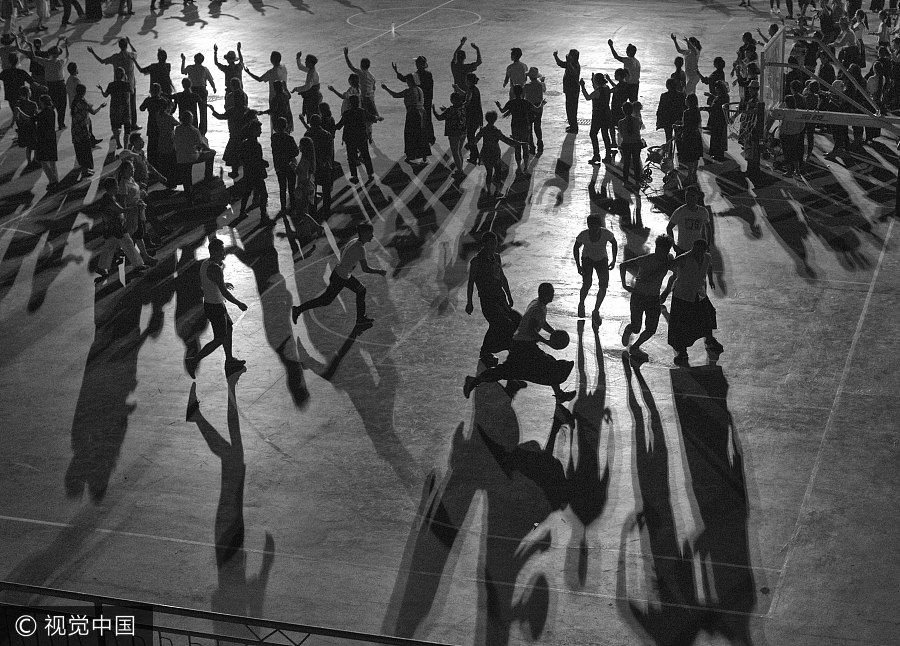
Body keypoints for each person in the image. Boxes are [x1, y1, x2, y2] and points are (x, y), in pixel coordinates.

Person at [463, 282, 575, 403]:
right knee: (544, 366)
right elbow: (531, 331)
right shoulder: (537, 309)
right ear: (545, 295)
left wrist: (553, 333)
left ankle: (559, 394)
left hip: (523, 344)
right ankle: (473, 381)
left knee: (544, 365)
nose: (553, 295)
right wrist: (548, 342)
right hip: (523, 347)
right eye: (551, 293)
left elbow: (542, 322)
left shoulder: (538, 303)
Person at [291, 222, 386, 327]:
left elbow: (344, 254)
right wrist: (379, 271)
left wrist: (348, 265)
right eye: (370, 233)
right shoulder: (360, 249)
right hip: (341, 277)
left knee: (361, 291)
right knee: (325, 300)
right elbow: (365, 269)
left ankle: (360, 319)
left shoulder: (354, 241)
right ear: (364, 234)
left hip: (340, 273)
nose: (372, 236)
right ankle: (298, 309)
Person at [187, 238, 248, 378]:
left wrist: (223, 283)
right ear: (214, 252)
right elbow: (224, 292)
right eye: (221, 251)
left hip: (213, 304)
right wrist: (238, 303)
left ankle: (230, 360)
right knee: (219, 339)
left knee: (229, 328)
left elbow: (209, 282)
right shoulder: (215, 267)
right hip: (216, 308)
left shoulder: (205, 264)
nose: (224, 253)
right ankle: (194, 361)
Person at [465, 231, 520, 368]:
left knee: (516, 320)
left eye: (495, 242)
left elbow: (502, 277)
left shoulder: (496, 257)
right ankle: (488, 351)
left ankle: (503, 349)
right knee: (501, 324)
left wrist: (509, 295)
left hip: (500, 299)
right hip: (488, 301)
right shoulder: (476, 262)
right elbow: (471, 282)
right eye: (491, 243)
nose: (494, 246)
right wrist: (470, 302)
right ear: (484, 244)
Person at [666, 239, 723, 364]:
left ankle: (709, 339)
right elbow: (670, 265)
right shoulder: (685, 258)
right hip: (682, 295)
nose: (698, 253)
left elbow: (708, 266)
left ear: (704, 250)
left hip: (698, 293)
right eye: (696, 250)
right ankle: (682, 350)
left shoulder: (706, 257)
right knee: (682, 324)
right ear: (693, 248)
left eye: (702, 251)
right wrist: (668, 256)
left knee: (709, 314)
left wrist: (711, 280)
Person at [620, 235, 675, 361]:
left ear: (667, 251)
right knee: (636, 327)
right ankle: (629, 328)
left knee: (651, 329)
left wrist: (666, 291)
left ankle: (635, 347)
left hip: (653, 298)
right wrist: (624, 285)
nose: (658, 252)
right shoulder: (647, 259)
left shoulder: (669, 259)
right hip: (638, 296)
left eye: (662, 250)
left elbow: (675, 273)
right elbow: (623, 266)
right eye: (657, 249)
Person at [92, 176, 147, 284]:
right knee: (128, 244)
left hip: (111, 228)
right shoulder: (109, 199)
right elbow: (120, 210)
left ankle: (102, 267)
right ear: (111, 187)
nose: (118, 187)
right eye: (116, 186)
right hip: (117, 228)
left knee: (109, 247)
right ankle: (138, 265)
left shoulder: (107, 197)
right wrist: (135, 207)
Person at [573, 214, 617, 319]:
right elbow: (576, 248)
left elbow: (614, 243)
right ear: (588, 226)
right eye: (591, 226)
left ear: (599, 226)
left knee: (603, 286)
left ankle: (596, 309)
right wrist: (578, 265)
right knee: (587, 283)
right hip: (587, 258)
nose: (593, 229)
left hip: (602, 259)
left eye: (595, 227)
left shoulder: (606, 233)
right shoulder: (583, 235)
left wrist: (614, 260)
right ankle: (581, 303)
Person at [87, 38, 138, 129]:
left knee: (118, 106)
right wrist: (130, 43)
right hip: (130, 85)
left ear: (119, 46)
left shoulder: (115, 57)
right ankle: (133, 124)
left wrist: (93, 52)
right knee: (132, 105)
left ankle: (118, 125)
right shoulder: (131, 55)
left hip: (117, 86)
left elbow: (102, 61)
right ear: (126, 46)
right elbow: (135, 51)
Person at [382, 74, 430, 164]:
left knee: (410, 135)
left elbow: (395, 95)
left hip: (412, 114)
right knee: (422, 135)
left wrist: (386, 88)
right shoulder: (419, 89)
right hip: (422, 113)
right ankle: (424, 157)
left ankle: (411, 156)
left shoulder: (408, 91)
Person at [22, 38, 68, 129]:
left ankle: (49, 123)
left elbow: (34, 57)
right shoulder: (61, 62)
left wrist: (31, 48)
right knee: (62, 105)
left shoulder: (46, 62)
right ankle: (61, 124)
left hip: (50, 85)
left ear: (50, 54)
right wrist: (66, 46)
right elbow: (67, 56)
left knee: (50, 105)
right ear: (58, 54)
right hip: (60, 85)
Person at [474, 110, 524, 193]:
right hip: (495, 153)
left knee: (489, 173)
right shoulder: (496, 131)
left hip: (485, 152)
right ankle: (497, 191)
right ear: (495, 119)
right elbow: (506, 140)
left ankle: (489, 190)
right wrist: (518, 143)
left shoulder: (483, 130)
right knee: (498, 172)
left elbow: (475, 141)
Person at [333, 94, 376, 184]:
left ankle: (355, 176)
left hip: (350, 138)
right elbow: (372, 118)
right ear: (358, 102)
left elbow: (339, 126)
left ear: (350, 104)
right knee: (365, 155)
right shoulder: (362, 111)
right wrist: (378, 118)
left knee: (351, 157)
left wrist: (330, 125)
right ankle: (370, 174)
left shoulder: (347, 113)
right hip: (362, 137)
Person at [173, 111, 214, 200]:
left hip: (180, 156)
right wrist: (209, 150)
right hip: (192, 157)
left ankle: (187, 191)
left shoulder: (177, 129)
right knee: (211, 153)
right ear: (190, 120)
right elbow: (201, 145)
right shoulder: (194, 130)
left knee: (186, 174)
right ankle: (208, 176)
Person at [394, 55, 433, 144]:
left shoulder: (414, 75)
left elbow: (404, 79)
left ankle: (421, 139)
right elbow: (430, 88)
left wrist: (396, 71)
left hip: (418, 100)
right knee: (428, 119)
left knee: (419, 121)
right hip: (427, 99)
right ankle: (431, 138)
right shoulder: (429, 74)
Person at [495, 84, 534, 173]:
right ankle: (526, 167)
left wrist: (498, 105)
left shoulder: (511, 103)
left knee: (517, 146)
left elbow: (502, 111)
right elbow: (535, 109)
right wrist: (541, 104)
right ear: (522, 92)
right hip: (525, 126)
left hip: (515, 126)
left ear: (513, 93)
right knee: (525, 146)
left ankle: (519, 168)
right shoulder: (526, 102)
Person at [245, 51, 287, 130]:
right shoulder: (284, 69)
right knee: (284, 118)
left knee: (274, 119)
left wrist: (248, 72)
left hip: (274, 97)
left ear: (272, 60)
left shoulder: (271, 72)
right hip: (284, 97)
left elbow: (259, 79)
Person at [343, 47, 379, 140]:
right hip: (371, 99)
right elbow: (374, 88)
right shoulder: (372, 77)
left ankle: (363, 134)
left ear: (361, 65)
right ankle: (369, 133)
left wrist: (346, 56)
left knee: (361, 117)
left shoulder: (361, 73)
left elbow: (351, 67)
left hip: (363, 99)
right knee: (369, 118)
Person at [237, 118, 269, 222]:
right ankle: (263, 216)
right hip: (257, 174)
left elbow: (241, 158)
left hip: (248, 172)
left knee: (246, 193)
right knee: (264, 195)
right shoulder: (256, 145)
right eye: (259, 129)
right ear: (253, 131)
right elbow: (258, 160)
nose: (260, 131)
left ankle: (242, 212)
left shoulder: (244, 143)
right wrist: (265, 163)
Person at [70, 83, 104, 179]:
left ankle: (84, 168)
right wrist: (101, 106)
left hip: (75, 130)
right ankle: (86, 170)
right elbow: (93, 112)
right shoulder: (83, 103)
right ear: (84, 92)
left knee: (79, 149)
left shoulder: (74, 101)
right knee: (85, 150)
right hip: (83, 130)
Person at [305, 113, 334, 217]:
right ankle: (327, 209)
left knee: (312, 189)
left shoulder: (308, 135)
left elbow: (305, 152)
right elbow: (330, 151)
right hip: (324, 165)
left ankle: (313, 210)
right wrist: (327, 161)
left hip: (312, 166)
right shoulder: (327, 134)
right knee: (326, 190)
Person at [432, 91, 467, 179]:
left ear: (453, 100)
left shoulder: (450, 110)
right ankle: (460, 169)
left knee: (455, 152)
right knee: (459, 151)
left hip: (454, 133)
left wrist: (433, 110)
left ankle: (460, 171)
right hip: (463, 132)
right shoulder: (463, 107)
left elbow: (439, 118)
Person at [581, 72, 613, 163]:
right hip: (607, 113)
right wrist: (592, 80)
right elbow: (597, 89)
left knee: (593, 134)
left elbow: (587, 97)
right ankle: (608, 155)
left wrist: (582, 87)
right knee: (605, 135)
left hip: (598, 115)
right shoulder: (607, 88)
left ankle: (596, 155)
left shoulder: (597, 92)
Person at [666, 185, 710, 253]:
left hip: (697, 249)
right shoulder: (680, 211)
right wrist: (673, 245)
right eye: (687, 196)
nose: (689, 199)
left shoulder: (703, 212)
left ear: (697, 197)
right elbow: (669, 228)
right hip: (682, 249)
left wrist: (707, 244)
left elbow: (708, 229)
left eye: (692, 196)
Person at [181, 52, 216, 134]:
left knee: (193, 110)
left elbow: (183, 71)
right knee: (203, 110)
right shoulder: (204, 69)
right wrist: (214, 87)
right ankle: (203, 130)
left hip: (192, 90)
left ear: (194, 59)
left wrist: (183, 60)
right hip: (202, 90)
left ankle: (194, 127)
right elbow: (210, 80)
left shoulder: (190, 67)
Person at [271, 116, 298, 214]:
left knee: (282, 187)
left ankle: (283, 207)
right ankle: (293, 206)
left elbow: (274, 153)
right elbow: (296, 152)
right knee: (291, 188)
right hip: (290, 165)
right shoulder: (290, 138)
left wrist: (276, 166)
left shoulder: (274, 137)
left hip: (280, 165)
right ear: (286, 126)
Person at [676, 93, 703, 185]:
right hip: (696, 135)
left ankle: (689, 176)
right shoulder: (697, 111)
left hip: (688, 136)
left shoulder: (687, 112)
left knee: (689, 158)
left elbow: (686, 126)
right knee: (695, 158)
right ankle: (694, 174)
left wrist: (677, 126)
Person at [553, 48, 581, 132]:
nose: (568, 55)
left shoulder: (575, 65)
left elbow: (573, 72)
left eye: (570, 55)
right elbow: (560, 63)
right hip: (569, 90)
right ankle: (572, 125)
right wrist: (556, 56)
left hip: (573, 90)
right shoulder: (570, 63)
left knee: (572, 109)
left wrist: (568, 62)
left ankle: (574, 127)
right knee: (569, 108)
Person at [34, 93, 58, 187]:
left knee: (42, 160)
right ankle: (55, 178)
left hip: (43, 138)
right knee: (52, 160)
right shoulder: (51, 111)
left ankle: (52, 180)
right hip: (51, 137)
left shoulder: (43, 113)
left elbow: (33, 119)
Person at [617, 101, 643, 189]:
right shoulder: (637, 120)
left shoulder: (620, 122)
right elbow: (639, 129)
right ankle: (637, 182)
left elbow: (621, 134)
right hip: (636, 143)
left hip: (626, 144)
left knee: (626, 163)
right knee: (636, 163)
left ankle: (625, 181)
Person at [523, 67, 546, 153]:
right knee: (537, 126)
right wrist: (543, 81)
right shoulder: (540, 85)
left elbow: (523, 95)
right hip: (539, 107)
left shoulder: (527, 86)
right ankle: (540, 144)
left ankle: (531, 147)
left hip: (529, 108)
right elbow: (544, 90)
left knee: (529, 128)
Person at [293, 52, 321, 119]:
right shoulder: (311, 70)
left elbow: (307, 86)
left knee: (313, 116)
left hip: (313, 98)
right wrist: (298, 58)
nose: (305, 62)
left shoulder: (312, 73)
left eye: (306, 61)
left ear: (310, 63)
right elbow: (300, 67)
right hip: (313, 96)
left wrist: (297, 89)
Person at [656, 77, 685, 143]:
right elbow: (684, 108)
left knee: (668, 138)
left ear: (667, 86)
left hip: (667, 120)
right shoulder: (681, 95)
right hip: (678, 119)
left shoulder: (664, 96)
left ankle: (669, 152)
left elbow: (660, 109)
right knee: (679, 139)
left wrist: (658, 121)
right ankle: (679, 152)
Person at [463, 72, 483, 163]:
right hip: (477, 116)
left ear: (468, 81)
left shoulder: (470, 90)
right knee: (471, 137)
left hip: (471, 117)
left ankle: (474, 157)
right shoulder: (475, 89)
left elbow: (467, 102)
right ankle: (475, 156)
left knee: (470, 137)